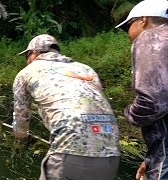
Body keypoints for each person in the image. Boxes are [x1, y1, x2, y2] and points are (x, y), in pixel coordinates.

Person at [12, 34, 121, 180]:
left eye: (27, 55)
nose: (26, 61)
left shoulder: (25, 73)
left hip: (70, 148)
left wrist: (20, 137)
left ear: (34, 53)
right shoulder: (86, 69)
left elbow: (21, 118)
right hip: (111, 150)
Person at [115, 0, 168, 179]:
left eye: (128, 26)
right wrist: (151, 159)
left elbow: (153, 101)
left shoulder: (152, 37)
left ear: (143, 20)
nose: (129, 34)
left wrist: (129, 114)